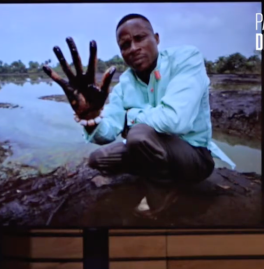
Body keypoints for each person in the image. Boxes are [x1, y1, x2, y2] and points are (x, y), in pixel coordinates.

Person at [43, 13, 236, 216]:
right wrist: (91, 117)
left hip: (194, 157)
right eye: (125, 45)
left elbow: (175, 120)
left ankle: (163, 191)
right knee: (97, 159)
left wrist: (130, 117)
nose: (133, 48)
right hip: (152, 147)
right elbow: (108, 131)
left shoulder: (185, 58)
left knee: (138, 135)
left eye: (140, 38)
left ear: (157, 38)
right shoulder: (124, 84)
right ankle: (151, 168)